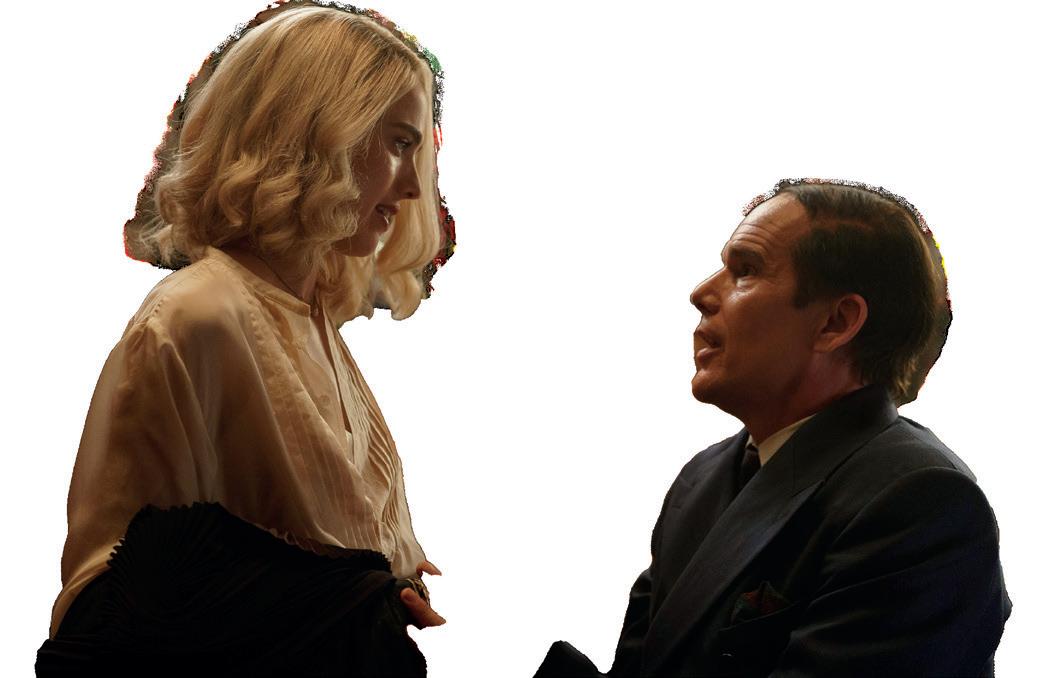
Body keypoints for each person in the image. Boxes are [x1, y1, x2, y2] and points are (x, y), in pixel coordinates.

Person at [37, 3, 454, 675]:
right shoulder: (196, 320)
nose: (411, 187)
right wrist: (341, 600)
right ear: (318, 134)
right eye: (399, 144)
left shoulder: (311, 319)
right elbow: (106, 607)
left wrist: (378, 590)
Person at [535, 179, 1011, 677]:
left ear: (835, 322)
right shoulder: (702, 477)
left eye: (746, 271)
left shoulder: (920, 503)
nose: (701, 293)